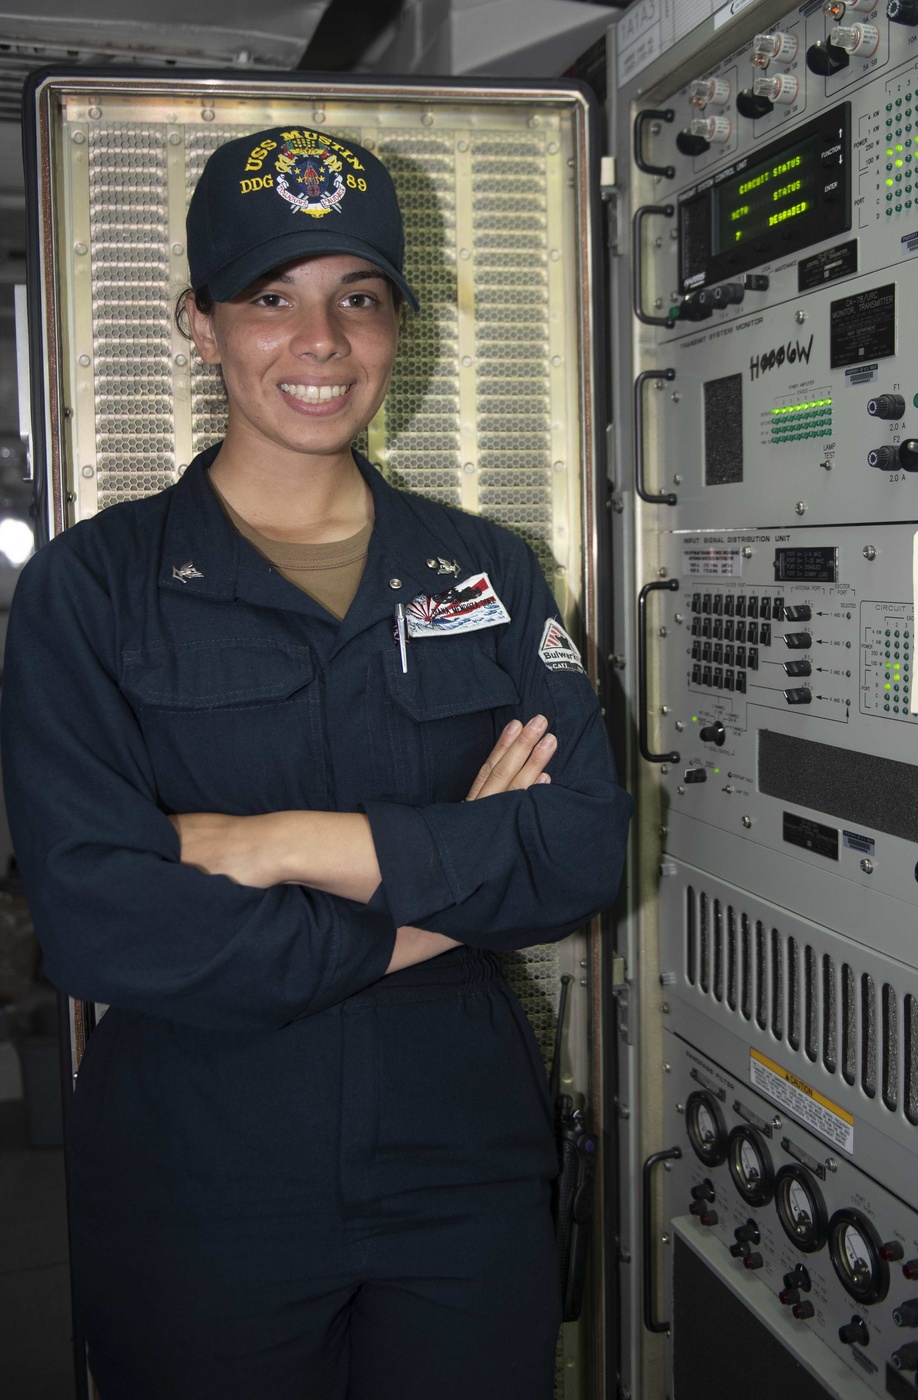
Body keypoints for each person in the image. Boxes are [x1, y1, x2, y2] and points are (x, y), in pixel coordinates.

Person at [1, 126, 632, 1400]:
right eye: (270, 298)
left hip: (459, 1139)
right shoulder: (94, 587)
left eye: (358, 297)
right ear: (200, 322)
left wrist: (267, 840)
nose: (321, 341)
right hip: (200, 1141)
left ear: (397, 326)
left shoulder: (486, 571)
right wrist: (441, 902)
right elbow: (98, 918)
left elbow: (580, 848)